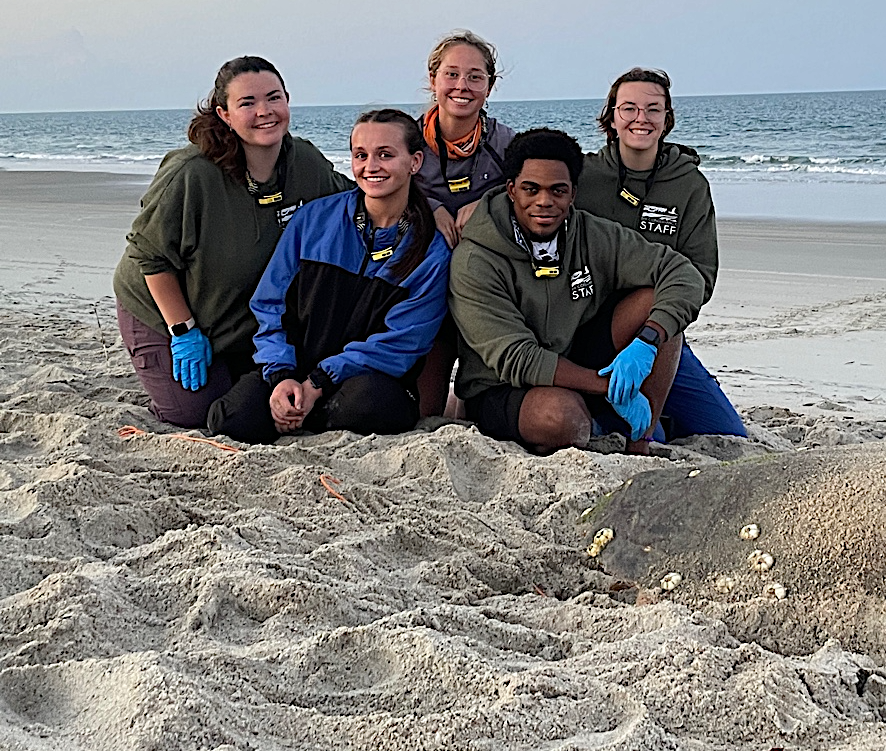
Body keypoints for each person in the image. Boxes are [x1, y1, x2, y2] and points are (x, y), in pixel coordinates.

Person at [112, 56, 352, 428]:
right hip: (165, 311)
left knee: (249, 405)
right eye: (247, 103)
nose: (265, 112)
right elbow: (150, 257)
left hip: (241, 320)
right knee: (195, 415)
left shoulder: (304, 162)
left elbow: (357, 200)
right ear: (224, 114)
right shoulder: (191, 174)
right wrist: (183, 331)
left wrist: (429, 208)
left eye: (274, 98)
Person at [448, 128, 706, 454]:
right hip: (501, 384)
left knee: (659, 305)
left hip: (574, 355)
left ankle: (641, 440)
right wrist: (612, 388)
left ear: (573, 193)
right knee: (564, 420)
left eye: (558, 190)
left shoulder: (591, 233)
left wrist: (647, 341)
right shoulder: (476, 259)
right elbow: (518, 358)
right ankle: (599, 415)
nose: (544, 201)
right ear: (511, 189)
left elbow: (683, 273)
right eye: (531, 189)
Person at [207, 109, 451, 443]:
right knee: (234, 418)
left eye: (386, 155)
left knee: (367, 407)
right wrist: (282, 376)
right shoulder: (314, 220)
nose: (371, 166)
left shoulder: (431, 251)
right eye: (360, 155)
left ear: (415, 162)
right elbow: (268, 304)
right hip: (294, 369)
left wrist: (319, 383)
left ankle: (309, 413)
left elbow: (404, 343)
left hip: (361, 382)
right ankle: (294, 409)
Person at [576, 67, 746, 440]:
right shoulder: (582, 177)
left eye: (653, 109)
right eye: (629, 108)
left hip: (659, 335)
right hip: (588, 332)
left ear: (667, 119)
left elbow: (701, 276)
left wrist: (650, 342)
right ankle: (625, 419)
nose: (641, 119)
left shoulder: (688, 184)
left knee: (729, 435)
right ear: (611, 117)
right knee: (648, 436)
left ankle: (660, 405)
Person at [414, 29, 516, 416]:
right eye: (452, 74)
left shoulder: (505, 143)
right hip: (424, 283)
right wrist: (430, 208)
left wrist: (487, 202)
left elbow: (533, 193)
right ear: (433, 80)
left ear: (489, 86)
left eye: (476, 77)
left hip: (486, 285)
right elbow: (375, 183)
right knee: (425, 409)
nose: (463, 86)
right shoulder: (408, 139)